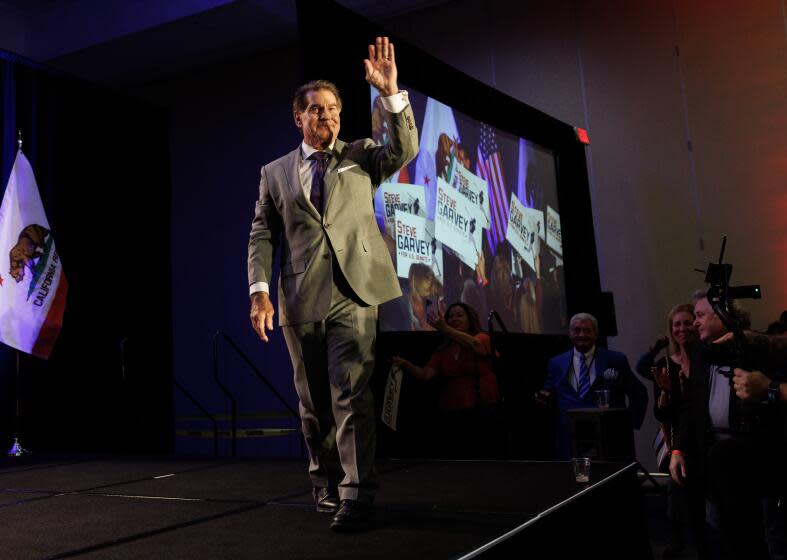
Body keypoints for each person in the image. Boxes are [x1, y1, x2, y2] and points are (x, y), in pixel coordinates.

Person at [247, 36, 419, 532]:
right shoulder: (275, 172)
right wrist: (259, 290)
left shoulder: (363, 155)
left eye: (334, 109)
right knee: (313, 402)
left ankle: (357, 493)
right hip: (300, 297)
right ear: (298, 118)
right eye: (317, 110)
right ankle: (323, 482)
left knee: (352, 394)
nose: (328, 117)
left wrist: (391, 94)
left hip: (355, 293)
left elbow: (403, 148)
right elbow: (262, 232)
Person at [669, 291, 785, 559]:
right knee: (716, 532)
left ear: (723, 315)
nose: (694, 322)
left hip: (752, 459)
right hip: (709, 455)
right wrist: (678, 449)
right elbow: (691, 407)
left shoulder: (757, 349)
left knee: (756, 535)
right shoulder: (700, 353)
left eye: (699, 316)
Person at [392, 302, 502, 457]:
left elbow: (475, 345)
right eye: (450, 316)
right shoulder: (443, 351)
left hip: (482, 409)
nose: (454, 319)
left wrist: (444, 329)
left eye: (459, 315)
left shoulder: (482, 338)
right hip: (453, 413)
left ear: (470, 319)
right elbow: (426, 375)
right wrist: (406, 365)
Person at [537, 312, 647, 459]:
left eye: (587, 330)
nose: (582, 334)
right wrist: (542, 399)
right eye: (577, 330)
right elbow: (547, 395)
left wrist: (627, 425)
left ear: (596, 334)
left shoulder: (615, 360)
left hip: (608, 441)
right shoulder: (556, 363)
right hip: (570, 443)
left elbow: (639, 393)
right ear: (570, 334)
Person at [635, 303, 698, 557]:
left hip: (704, 435)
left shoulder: (706, 359)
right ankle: (677, 538)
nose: (682, 328)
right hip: (675, 437)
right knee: (676, 486)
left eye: (687, 322)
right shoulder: (664, 364)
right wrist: (667, 394)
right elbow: (660, 414)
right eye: (677, 324)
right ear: (671, 330)